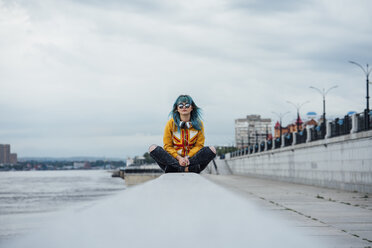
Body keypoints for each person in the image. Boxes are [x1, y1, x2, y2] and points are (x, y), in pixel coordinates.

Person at [149, 95, 216, 173]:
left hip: (191, 160)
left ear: (192, 108)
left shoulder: (199, 124)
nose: (184, 107)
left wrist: (188, 157)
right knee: (153, 148)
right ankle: (182, 168)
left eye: (187, 105)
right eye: (181, 106)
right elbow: (167, 146)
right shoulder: (170, 123)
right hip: (174, 160)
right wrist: (179, 159)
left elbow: (199, 145)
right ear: (177, 109)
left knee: (212, 150)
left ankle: (178, 168)